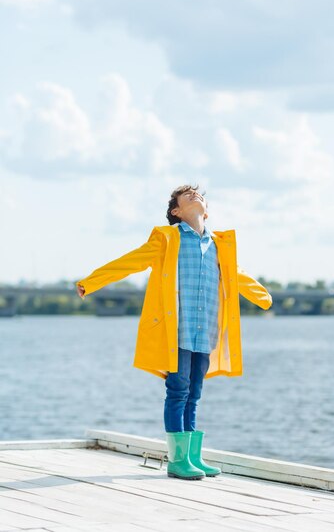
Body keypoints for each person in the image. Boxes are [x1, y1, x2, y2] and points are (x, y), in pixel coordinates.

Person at [76, 184, 273, 480]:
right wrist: (91, 281)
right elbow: (131, 261)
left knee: (195, 393)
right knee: (178, 390)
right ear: (176, 212)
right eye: (187, 195)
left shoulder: (219, 245)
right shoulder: (168, 239)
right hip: (176, 331)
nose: (196, 195)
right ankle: (178, 460)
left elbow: (238, 276)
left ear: (206, 209)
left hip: (206, 331)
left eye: (200, 195)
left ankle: (193, 457)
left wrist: (263, 297)